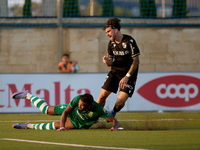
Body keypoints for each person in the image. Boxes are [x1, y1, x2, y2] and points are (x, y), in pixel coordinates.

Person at [12, 90, 119, 131]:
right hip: (71, 112)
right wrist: (63, 127)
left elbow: (115, 121)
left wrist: (114, 127)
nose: (79, 107)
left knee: (54, 126)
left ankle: (28, 126)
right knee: (46, 110)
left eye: (82, 106)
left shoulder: (98, 110)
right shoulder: (78, 99)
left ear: (89, 105)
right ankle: (28, 95)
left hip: (78, 123)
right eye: (79, 104)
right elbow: (66, 112)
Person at [97, 18, 140, 119]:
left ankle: (113, 112)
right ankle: (95, 117)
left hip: (129, 75)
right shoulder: (111, 44)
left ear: (115, 30)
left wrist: (127, 76)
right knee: (102, 96)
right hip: (115, 72)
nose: (107, 34)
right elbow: (111, 62)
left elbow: (136, 61)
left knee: (120, 102)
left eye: (108, 31)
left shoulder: (129, 41)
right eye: (106, 32)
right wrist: (108, 62)